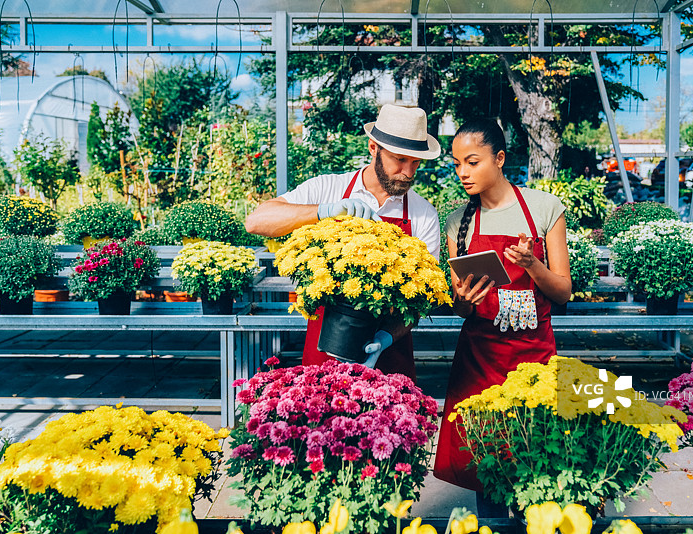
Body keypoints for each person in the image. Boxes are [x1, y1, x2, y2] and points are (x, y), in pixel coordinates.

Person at [433, 119, 572, 516]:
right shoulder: (458, 220)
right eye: (456, 163)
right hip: (480, 358)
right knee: (485, 461)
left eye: (472, 162)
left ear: (499, 159)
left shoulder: (544, 207)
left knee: (537, 457)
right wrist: (460, 300)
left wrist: (532, 265)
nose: (462, 172)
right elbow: (462, 309)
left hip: (534, 356)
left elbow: (563, 292)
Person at [244, 104, 441, 381]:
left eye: (416, 162)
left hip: (389, 358)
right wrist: (323, 211)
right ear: (373, 148)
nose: (408, 172)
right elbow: (257, 221)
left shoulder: (423, 214)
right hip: (325, 351)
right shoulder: (328, 188)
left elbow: (420, 300)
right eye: (399, 160)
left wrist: (385, 338)